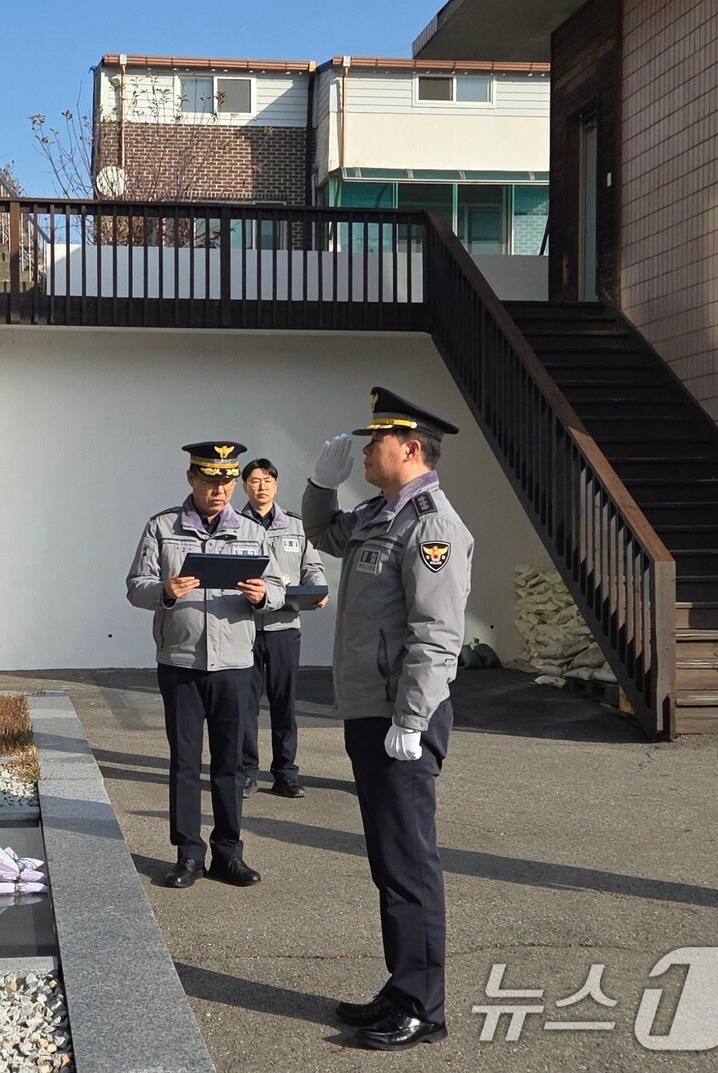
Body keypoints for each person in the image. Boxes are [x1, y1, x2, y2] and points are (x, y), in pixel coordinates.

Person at [301, 388, 473, 1051]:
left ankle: (423, 1006)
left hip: (403, 718)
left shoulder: (431, 524)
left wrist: (411, 716)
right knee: (388, 861)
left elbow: (436, 636)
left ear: (412, 447)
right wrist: (321, 484)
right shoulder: (380, 513)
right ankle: (402, 986)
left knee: (408, 863)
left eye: (378, 441)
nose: (367, 449)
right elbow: (323, 532)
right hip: (370, 712)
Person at [126, 441, 285, 889]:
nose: (220, 489)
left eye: (227, 481)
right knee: (184, 762)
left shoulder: (252, 532)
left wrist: (264, 596)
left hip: (235, 663)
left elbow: (276, 585)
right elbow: (136, 586)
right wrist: (166, 590)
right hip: (181, 662)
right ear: (191, 478)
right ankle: (188, 855)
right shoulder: (162, 527)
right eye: (211, 480)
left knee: (231, 764)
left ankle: (229, 855)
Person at [237, 458, 328, 799]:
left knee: (283, 703)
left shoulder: (295, 526)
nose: (261, 487)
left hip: (284, 626)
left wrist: (319, 590)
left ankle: (285, 773)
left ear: (276, 485)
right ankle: (246, 772)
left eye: (268, 481)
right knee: (245, 704)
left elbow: (313, 567)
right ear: (244, 486)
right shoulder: (232, 525)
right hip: (242, 627)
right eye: (254, 481)